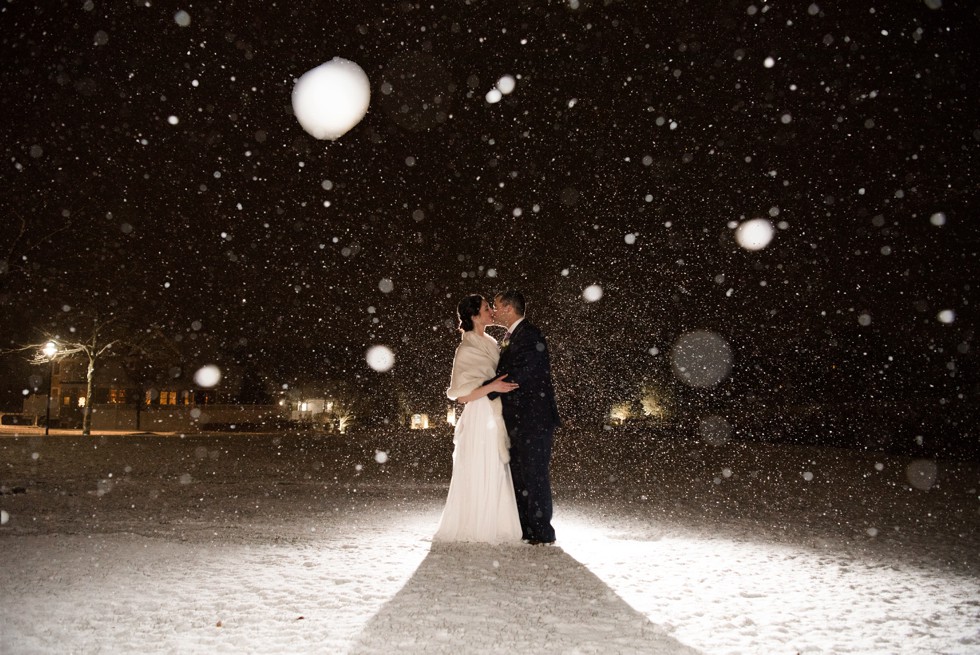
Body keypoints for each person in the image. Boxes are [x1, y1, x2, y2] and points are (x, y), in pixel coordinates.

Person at [433, 294, 524, 544]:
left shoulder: (492, 341)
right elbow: (461, 396)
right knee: (480, 465)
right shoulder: (466, 348)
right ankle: (476, 523)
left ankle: (496, 522)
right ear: (474, 316)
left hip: (494, 411)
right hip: (479, 413)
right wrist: (491, 386)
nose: (491, 311)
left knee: (495, 464)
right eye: (486, 308)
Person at [490, 290, 561, 545]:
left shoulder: (529, 335)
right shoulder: (513, 336)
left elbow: (523, 372)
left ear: (509, 308)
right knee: (520, 475)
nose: (493, 310)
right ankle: (527, 529)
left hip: (534, 420)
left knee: (535, 475)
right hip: (519, 420)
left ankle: (542, 532)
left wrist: (486, 389)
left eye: (496, 306)